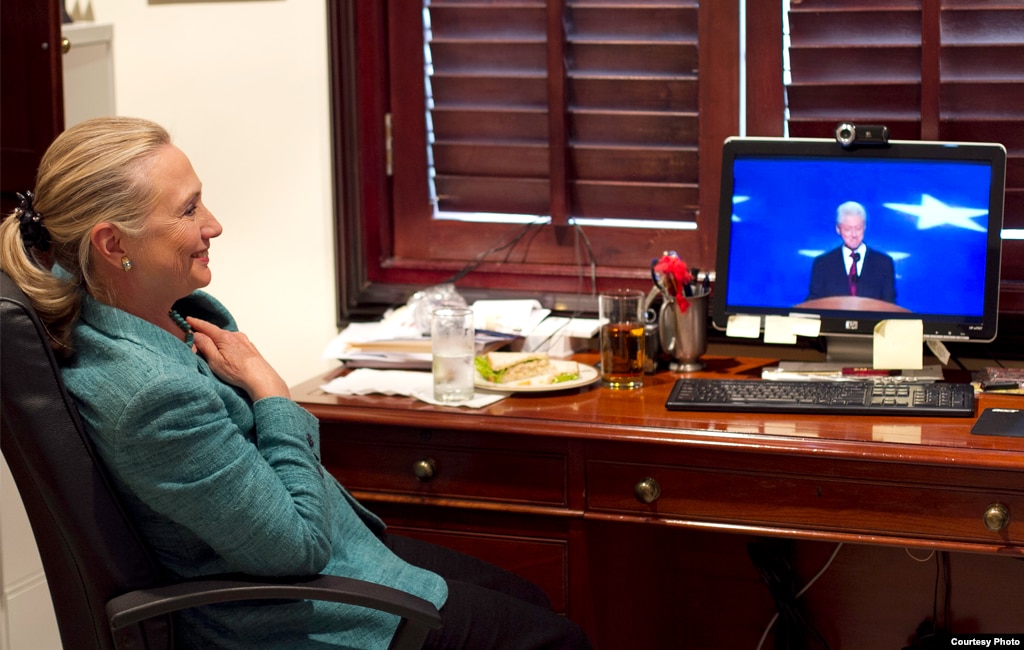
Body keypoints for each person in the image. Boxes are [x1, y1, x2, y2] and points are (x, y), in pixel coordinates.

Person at [0, 116, 592, 650]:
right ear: (111, 244)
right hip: (286, 613)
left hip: (337, 555)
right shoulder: (150, 396)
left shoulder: (150, 315)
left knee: (530, 602)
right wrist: (272, 392)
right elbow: (297, 548)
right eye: (187, 211)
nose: (214, 225)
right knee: (555, 641)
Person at [806, 200, 896, 303]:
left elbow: (890, 305)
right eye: (848, 229)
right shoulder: (822, 264)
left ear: (865, 227)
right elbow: (813, 303)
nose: (854, 235)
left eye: (858, 228)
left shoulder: (884, 263)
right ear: (838, 229)